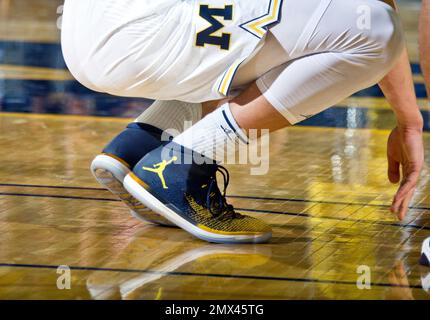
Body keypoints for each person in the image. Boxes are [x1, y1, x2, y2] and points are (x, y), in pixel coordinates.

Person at [62, 0, 407, 243]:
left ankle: (143, 142)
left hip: (84, 32)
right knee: (376, 28)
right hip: (147, 33)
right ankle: (181, 166)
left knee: (269, 36)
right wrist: (409, 121)